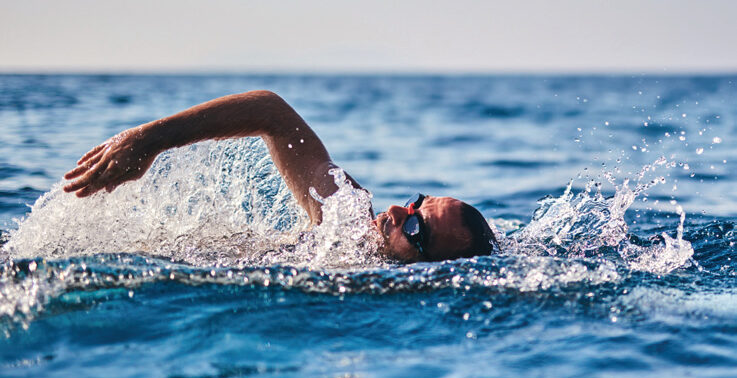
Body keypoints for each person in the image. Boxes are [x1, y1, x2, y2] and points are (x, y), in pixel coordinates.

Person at [63, 90, 499, 262]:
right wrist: (150, 140)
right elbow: (271, 112)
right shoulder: (344, 213)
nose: (397, 211)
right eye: (415, 203)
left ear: (426, 271)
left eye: (417, 227)